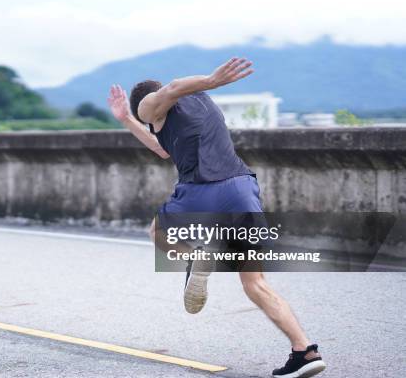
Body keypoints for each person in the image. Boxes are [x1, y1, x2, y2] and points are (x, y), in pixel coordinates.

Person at [107, 57, 326, 378]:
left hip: (203, 190)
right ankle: (304, 351)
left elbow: (171, 88)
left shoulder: (151, 104)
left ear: (150, 109)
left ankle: (195, 257)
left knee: (157, 231)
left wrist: (211, 79)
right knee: (255, 283)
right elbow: (163, 149)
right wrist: (126, 120)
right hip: (242, 190)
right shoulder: (199, 104)